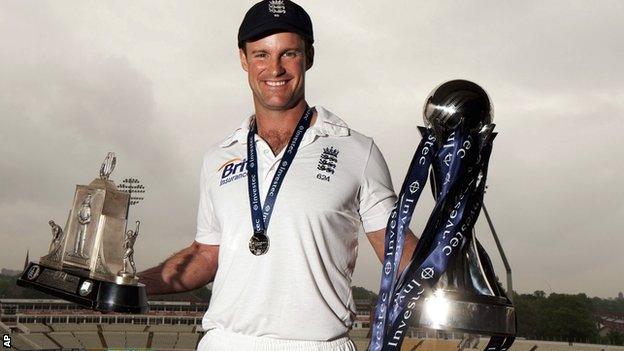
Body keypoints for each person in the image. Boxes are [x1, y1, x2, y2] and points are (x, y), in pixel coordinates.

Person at [137, 1, 418, 350]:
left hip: (316, 344)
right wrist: (132, 283)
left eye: (288, 54)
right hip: (226, 342)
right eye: (261, 55)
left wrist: (456, 267)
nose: (275, 69)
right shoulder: (219, 156)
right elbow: (206, 254)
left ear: (309, 56)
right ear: (243, 59)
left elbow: (398, 251)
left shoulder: (356, 150)